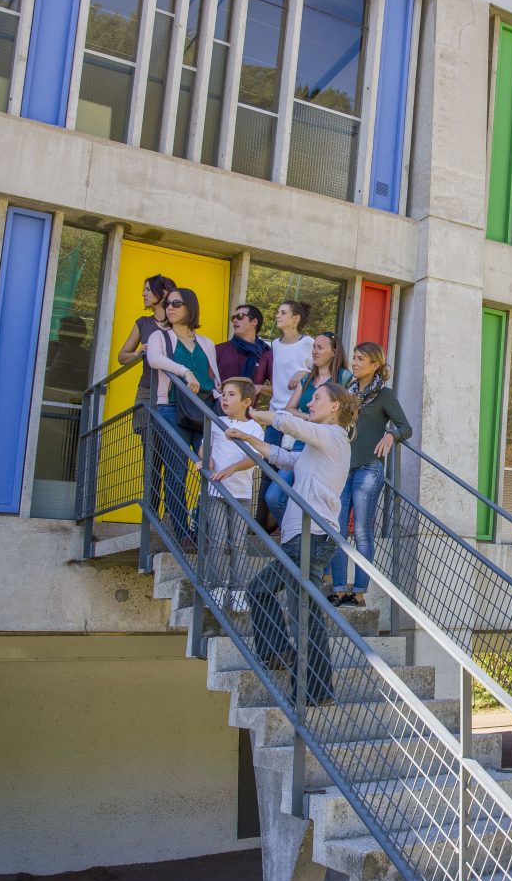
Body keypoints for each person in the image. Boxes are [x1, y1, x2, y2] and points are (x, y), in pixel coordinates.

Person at [227, 384, 359, 706]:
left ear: (335, 407)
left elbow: (291, 425)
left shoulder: (333, 436)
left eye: (317, 399)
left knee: (292, 609)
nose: (310, 402)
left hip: (310, 538)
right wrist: (249, 439)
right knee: (298, 610)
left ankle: (306, 682)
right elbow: (285, 457)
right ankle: (304, 677)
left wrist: (254, 414)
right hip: (305, 538)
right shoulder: (320, 447)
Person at [328, 342, 411, 607]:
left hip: (368, 469)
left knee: (363, 531)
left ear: (375, 365)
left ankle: (360, 592)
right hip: (342, 467)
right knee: (337, 529)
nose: (354, 362)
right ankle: (339, 589)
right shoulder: (346, 394)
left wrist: (391, 435)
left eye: (361, 358)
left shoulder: (384, 396)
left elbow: (405, 427)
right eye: (353, 357)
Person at [144, 288, 222, 544]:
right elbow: (154, 360)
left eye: (177, 303)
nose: (170, 307)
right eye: (168, 303)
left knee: (211, 468)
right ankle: (182, 534)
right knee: (176, 473)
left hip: (203, 413)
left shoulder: (206, 343)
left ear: (190, 307)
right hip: (171, 408)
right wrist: (185, 372)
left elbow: (215, 380)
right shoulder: (160, 336)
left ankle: (202, 528)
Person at [264, 332, 351, 525]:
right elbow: (288, 408)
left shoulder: (344, 377)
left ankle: (305, 542)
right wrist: (308, 418)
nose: (315, 351)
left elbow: (350, 410)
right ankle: (295, 536)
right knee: (274, 496)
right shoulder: (307, 378)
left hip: (325, 448)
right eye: (313, 347)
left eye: (320, 347)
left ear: (334, 351)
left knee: (318, 504)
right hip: (299, 445)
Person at [202, 377, 264, 612]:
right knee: (217, 540)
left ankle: (238, 589)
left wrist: (233, 468)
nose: (224, 399)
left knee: (238, 542)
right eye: (224, 394)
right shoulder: (216, 422)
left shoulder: (254, 428)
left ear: (246, 401)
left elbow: (255, 457)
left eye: (231, 395)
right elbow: (204, 445)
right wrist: (204, 458)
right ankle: (216, 587)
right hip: (215, 491)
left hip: (241, 493)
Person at [117, 273, 176, 431]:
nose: (143, 293)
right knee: (148, 443)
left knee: (170, 445)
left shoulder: (179, 325)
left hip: (174, 392)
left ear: (163, 293)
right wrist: (138, 353)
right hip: (147, 391)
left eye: (148, 290)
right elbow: (122, 357)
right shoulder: (143, 323)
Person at [264, 301, 313, 448]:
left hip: (295, 416)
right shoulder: (276, 344)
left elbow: (320, 372)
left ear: (295, 318)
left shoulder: (308, 342)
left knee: (287, 466)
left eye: (283, 313)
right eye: (278, 312)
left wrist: (303, 373)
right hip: (275, 413)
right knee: (268, 463)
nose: (278, 316)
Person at [215, 303, 273, 401]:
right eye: (233, 318)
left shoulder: (266, 353)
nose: (234, 320)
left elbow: (278, 390)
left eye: (240, 317)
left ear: (254, 321)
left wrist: (259, 388)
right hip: (217, 412)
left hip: (246, 413)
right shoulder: (219, 349)